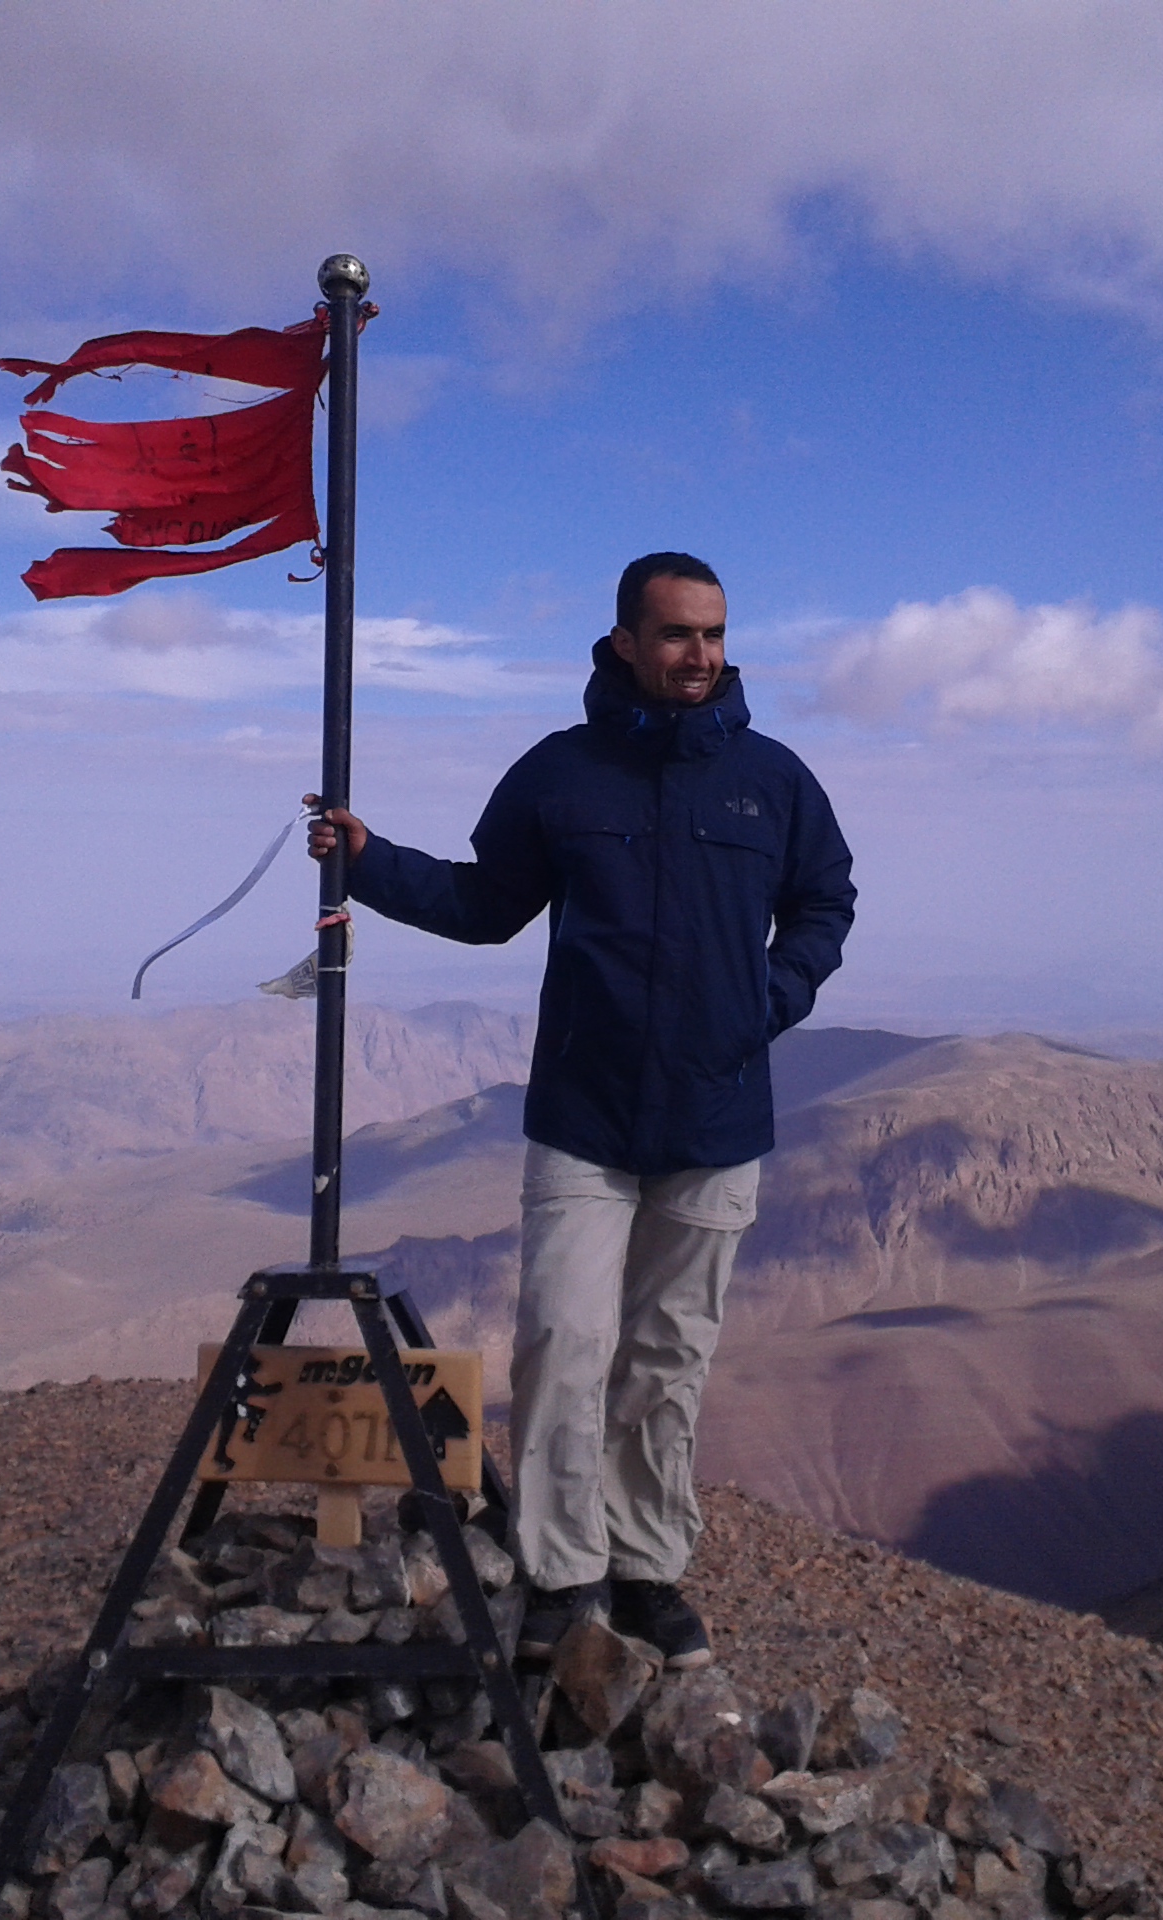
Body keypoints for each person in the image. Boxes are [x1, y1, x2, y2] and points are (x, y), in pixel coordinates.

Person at [306, 552, 854, 1668]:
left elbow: (822, 900)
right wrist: (370, 865)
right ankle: (566, 1577)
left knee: (667, 1355)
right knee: (563, 1339)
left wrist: (771, 998)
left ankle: (649, 1570)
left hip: (715, 1118)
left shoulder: (773, 780)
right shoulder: (560, 776)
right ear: (623, 644)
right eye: (675, 635)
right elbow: (485, 901)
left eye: (712, 634)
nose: (699, 655)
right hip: (585, 1114)